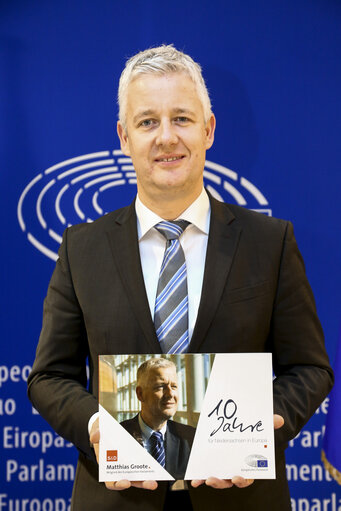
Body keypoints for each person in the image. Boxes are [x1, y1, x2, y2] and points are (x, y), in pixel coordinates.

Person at [27, 44, 333, 511]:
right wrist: (95, 425)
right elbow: (49, 376)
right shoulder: (80, 247)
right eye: (148, 121)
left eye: (182, 119)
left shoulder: (270, 242)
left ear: (208, 130)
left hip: (243, 500)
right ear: (123, 137)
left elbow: (309, 368)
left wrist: (267, 422)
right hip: (116, 502)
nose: (166, 137)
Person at [120, 357, 195, 481]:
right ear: (140, 394)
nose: (170, 394)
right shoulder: (118, 434)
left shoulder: (190, 437)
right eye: (161, 386)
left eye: (174, 386)